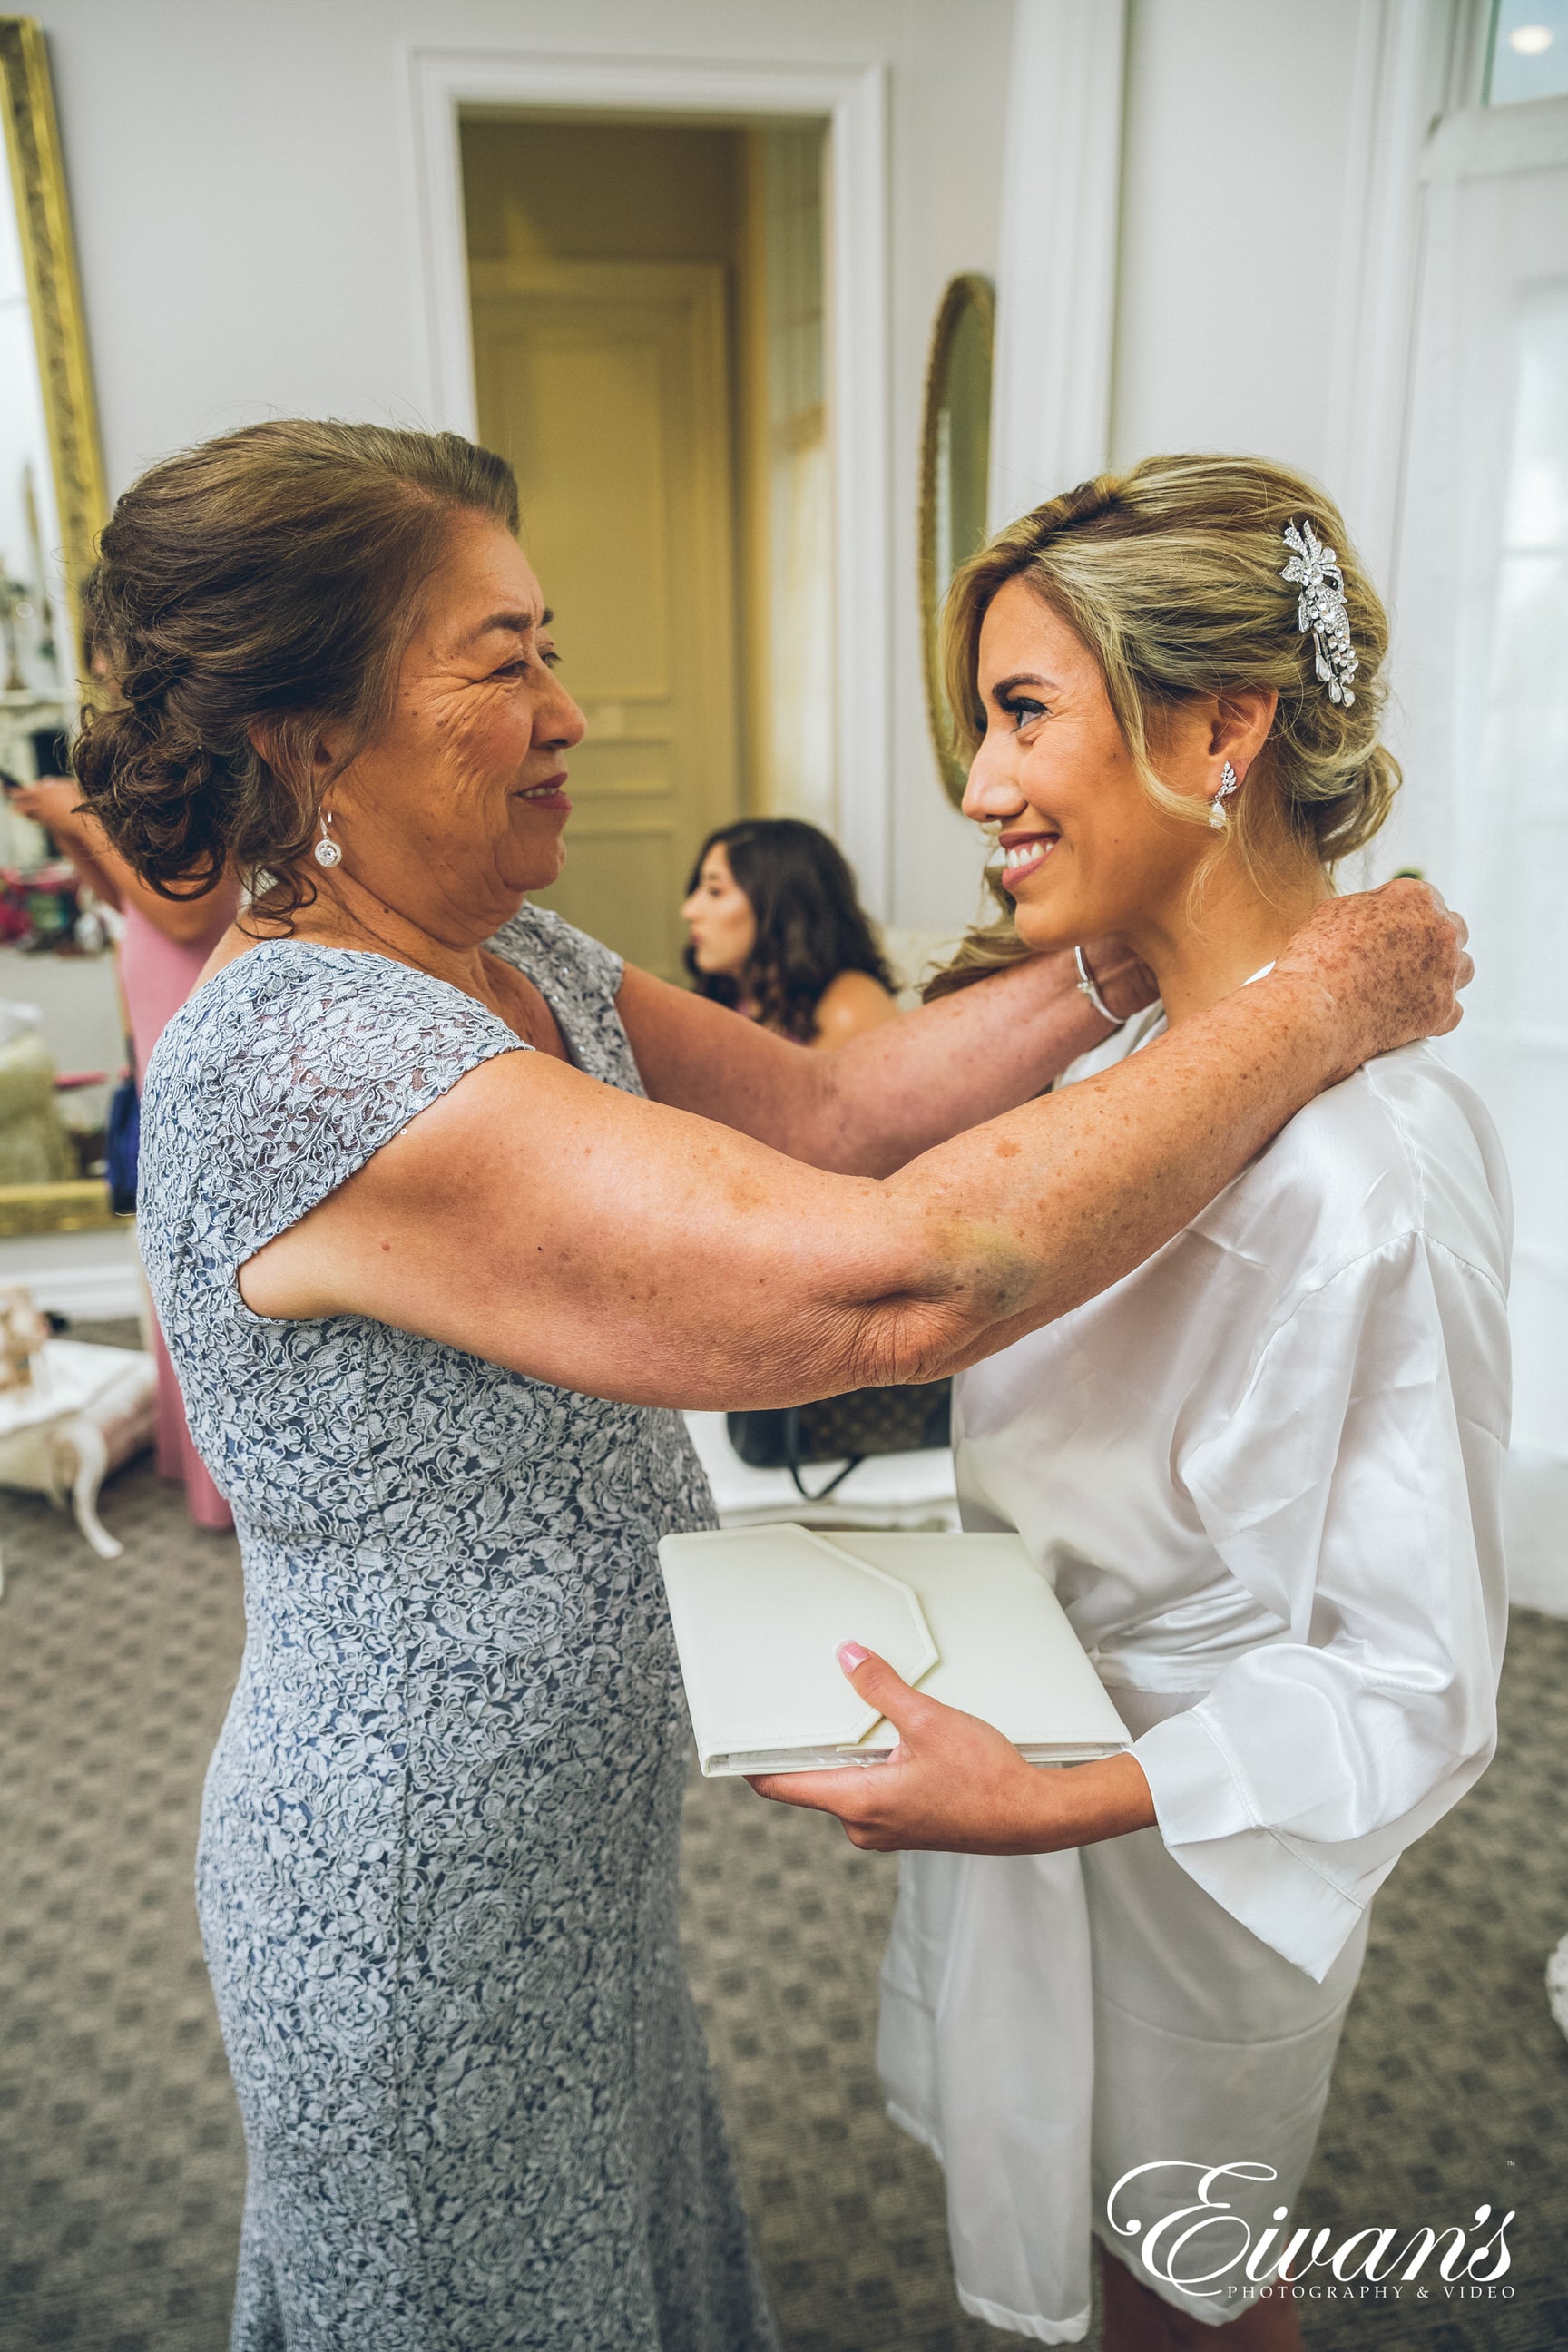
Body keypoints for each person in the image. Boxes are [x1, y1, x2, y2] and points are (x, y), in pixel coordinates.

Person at [74, 419, 1467, 2352]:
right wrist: (1305, 1004)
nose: (570, 709)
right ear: (314, 735)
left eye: (549, 643)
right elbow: (891, 1283)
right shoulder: (302, 1051)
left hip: (575, 1845)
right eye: (504, 660)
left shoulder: (511, 956)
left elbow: (826, 1110)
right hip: (416, 1874)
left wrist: (1146, 963)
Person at [749, 458, 1509, 2350]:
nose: (978, 786)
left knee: (1194, 2286)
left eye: (1022, 715)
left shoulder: (1368, 1173)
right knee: (1075, 2236)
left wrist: (1063, 1797)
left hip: (1187, 1837)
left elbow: (1418, 1680)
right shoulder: (1145, 1072)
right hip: (1031, 1730)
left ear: (1225, 725)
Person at [8, 770, 238, 1532]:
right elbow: (123, 898)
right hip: (155, 999)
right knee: (171, 1252)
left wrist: (83, 812)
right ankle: (199, 1461)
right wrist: (74, 832)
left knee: (210, 1253)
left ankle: (236, 1479)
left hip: (194, 998)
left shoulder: (208, 775)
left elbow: (184, 911)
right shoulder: (147, 768)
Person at [681, 817, 898, 1047]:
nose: (688, 911)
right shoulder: (733, 996)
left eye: (715, 891)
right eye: (698, 889)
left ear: (785, 906)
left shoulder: (850, 1009)